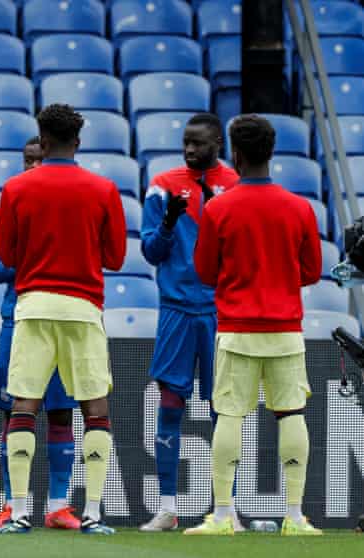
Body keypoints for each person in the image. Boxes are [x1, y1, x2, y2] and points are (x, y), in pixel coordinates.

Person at [0, 104, 126, 535]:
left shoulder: (16, 187)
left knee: (24, 404)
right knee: (95, 408)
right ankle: (93, 513)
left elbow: (6, 254)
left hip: (34, 305)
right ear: (78, 142)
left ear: (43, 140)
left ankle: (18, 512)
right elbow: (116, 258)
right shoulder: (104, 189)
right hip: (83, 308)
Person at [188, 114, 322, 536]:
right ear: (271, 152)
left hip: (237, 328)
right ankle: (295, 516)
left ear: (236, 155)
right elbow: (312, 271)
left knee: (229, 415)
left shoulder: (218, 207)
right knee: (292, 413)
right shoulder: (300, 207)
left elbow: (204, 271)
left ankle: (223, 515)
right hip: (285, 329)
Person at [138, 113, 241, 532]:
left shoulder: (236, 186)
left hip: (220, 311)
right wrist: (167, 224)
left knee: (224, 411)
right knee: (170, 405)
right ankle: (167, 507)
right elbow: (150, 251)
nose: (189, 150)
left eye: (197, 143)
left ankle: (226, 509)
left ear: (218, 142)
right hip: (176, 309)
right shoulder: (162, 185)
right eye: (185, 142)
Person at [0, 136, 80, 531]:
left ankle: (58, 506)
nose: (34, 167)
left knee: (61, 413)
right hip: (19, 321)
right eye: (28, 160)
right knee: (15, 413)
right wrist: (31, 260)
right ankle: (12, 504)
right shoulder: (4, 211)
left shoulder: (70, 211)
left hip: (63, 320)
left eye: (41, 159)